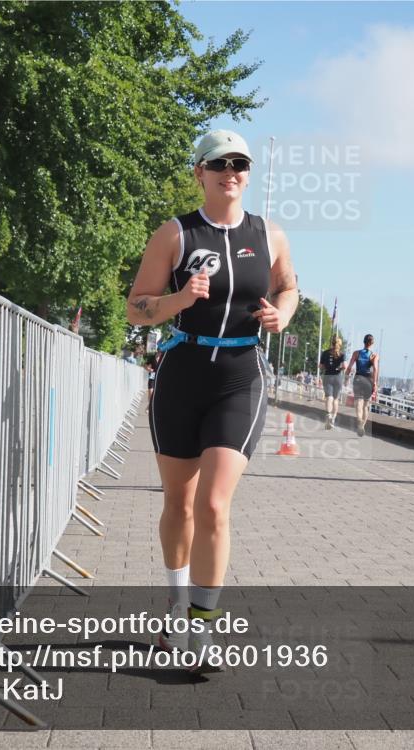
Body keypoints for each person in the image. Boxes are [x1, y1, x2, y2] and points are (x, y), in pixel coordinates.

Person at [127, 129, 298, 672]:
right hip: (182, 374)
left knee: (214, 504)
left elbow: (289, 286)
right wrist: (179, 298)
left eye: (241, 163)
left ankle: (201, 632)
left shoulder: (269, 234)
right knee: (178, 504)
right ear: (199, 171)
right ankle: (176, 605)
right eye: (220, 162)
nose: (232, 170)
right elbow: (136, 309)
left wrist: (283, 313)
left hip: (239, 376)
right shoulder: (174, 234)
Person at [345, 334, 379, 437]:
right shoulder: (374, 355)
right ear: (372, 343)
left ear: (363, 342)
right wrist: (375, 383)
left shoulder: (356, 353)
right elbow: (375, 369)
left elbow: (350, 367)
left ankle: (359, 421)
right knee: (366, 405)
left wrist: (346, 378)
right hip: (368, 380)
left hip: (358, 378)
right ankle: (362, 426)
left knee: (358, 403)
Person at [320, 335, 346, 429]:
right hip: (338, 377)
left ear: (332, 342)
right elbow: (344, 366)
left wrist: (326, 366)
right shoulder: (342, 354)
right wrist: (338, 368)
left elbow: (321, 366)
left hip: (327, 377)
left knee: (329, 397)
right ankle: (333, 418)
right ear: (340, 344)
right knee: (335, 399)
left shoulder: (325, 353)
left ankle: (329, 415)